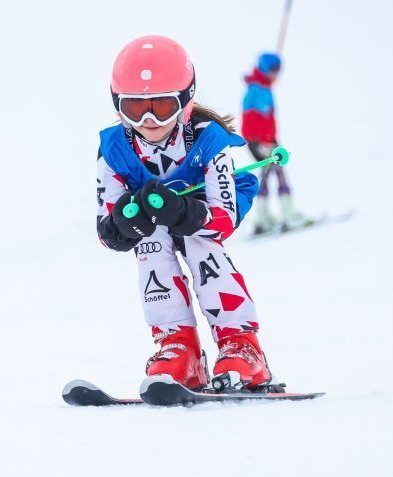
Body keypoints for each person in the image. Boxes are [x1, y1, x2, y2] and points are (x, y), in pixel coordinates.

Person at [96, 35, 275, 391]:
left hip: (205, 213)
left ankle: (241, 345)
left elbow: (221, 220)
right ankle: (178, 348)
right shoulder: (114, 149)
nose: (148, 119)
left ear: (186, 100)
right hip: (156, 222)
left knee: (201, 243)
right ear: (118, 105)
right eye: (135, 108)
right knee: (150, 244)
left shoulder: (207, 139)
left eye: (162, 106)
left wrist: (185, 212)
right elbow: (107, 228)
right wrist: (125, 225)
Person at [241, 52, 309, 234]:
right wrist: (259, 143)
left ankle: (264, 217)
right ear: (264, 68)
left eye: (278, 70)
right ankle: (285, 213)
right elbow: (250, 121)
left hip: (269, 141)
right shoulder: (256, 89)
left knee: (269, 173)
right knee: (276, 173)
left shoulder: (264, 86)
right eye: (272, 70)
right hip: (260, 142)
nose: (276, 74)